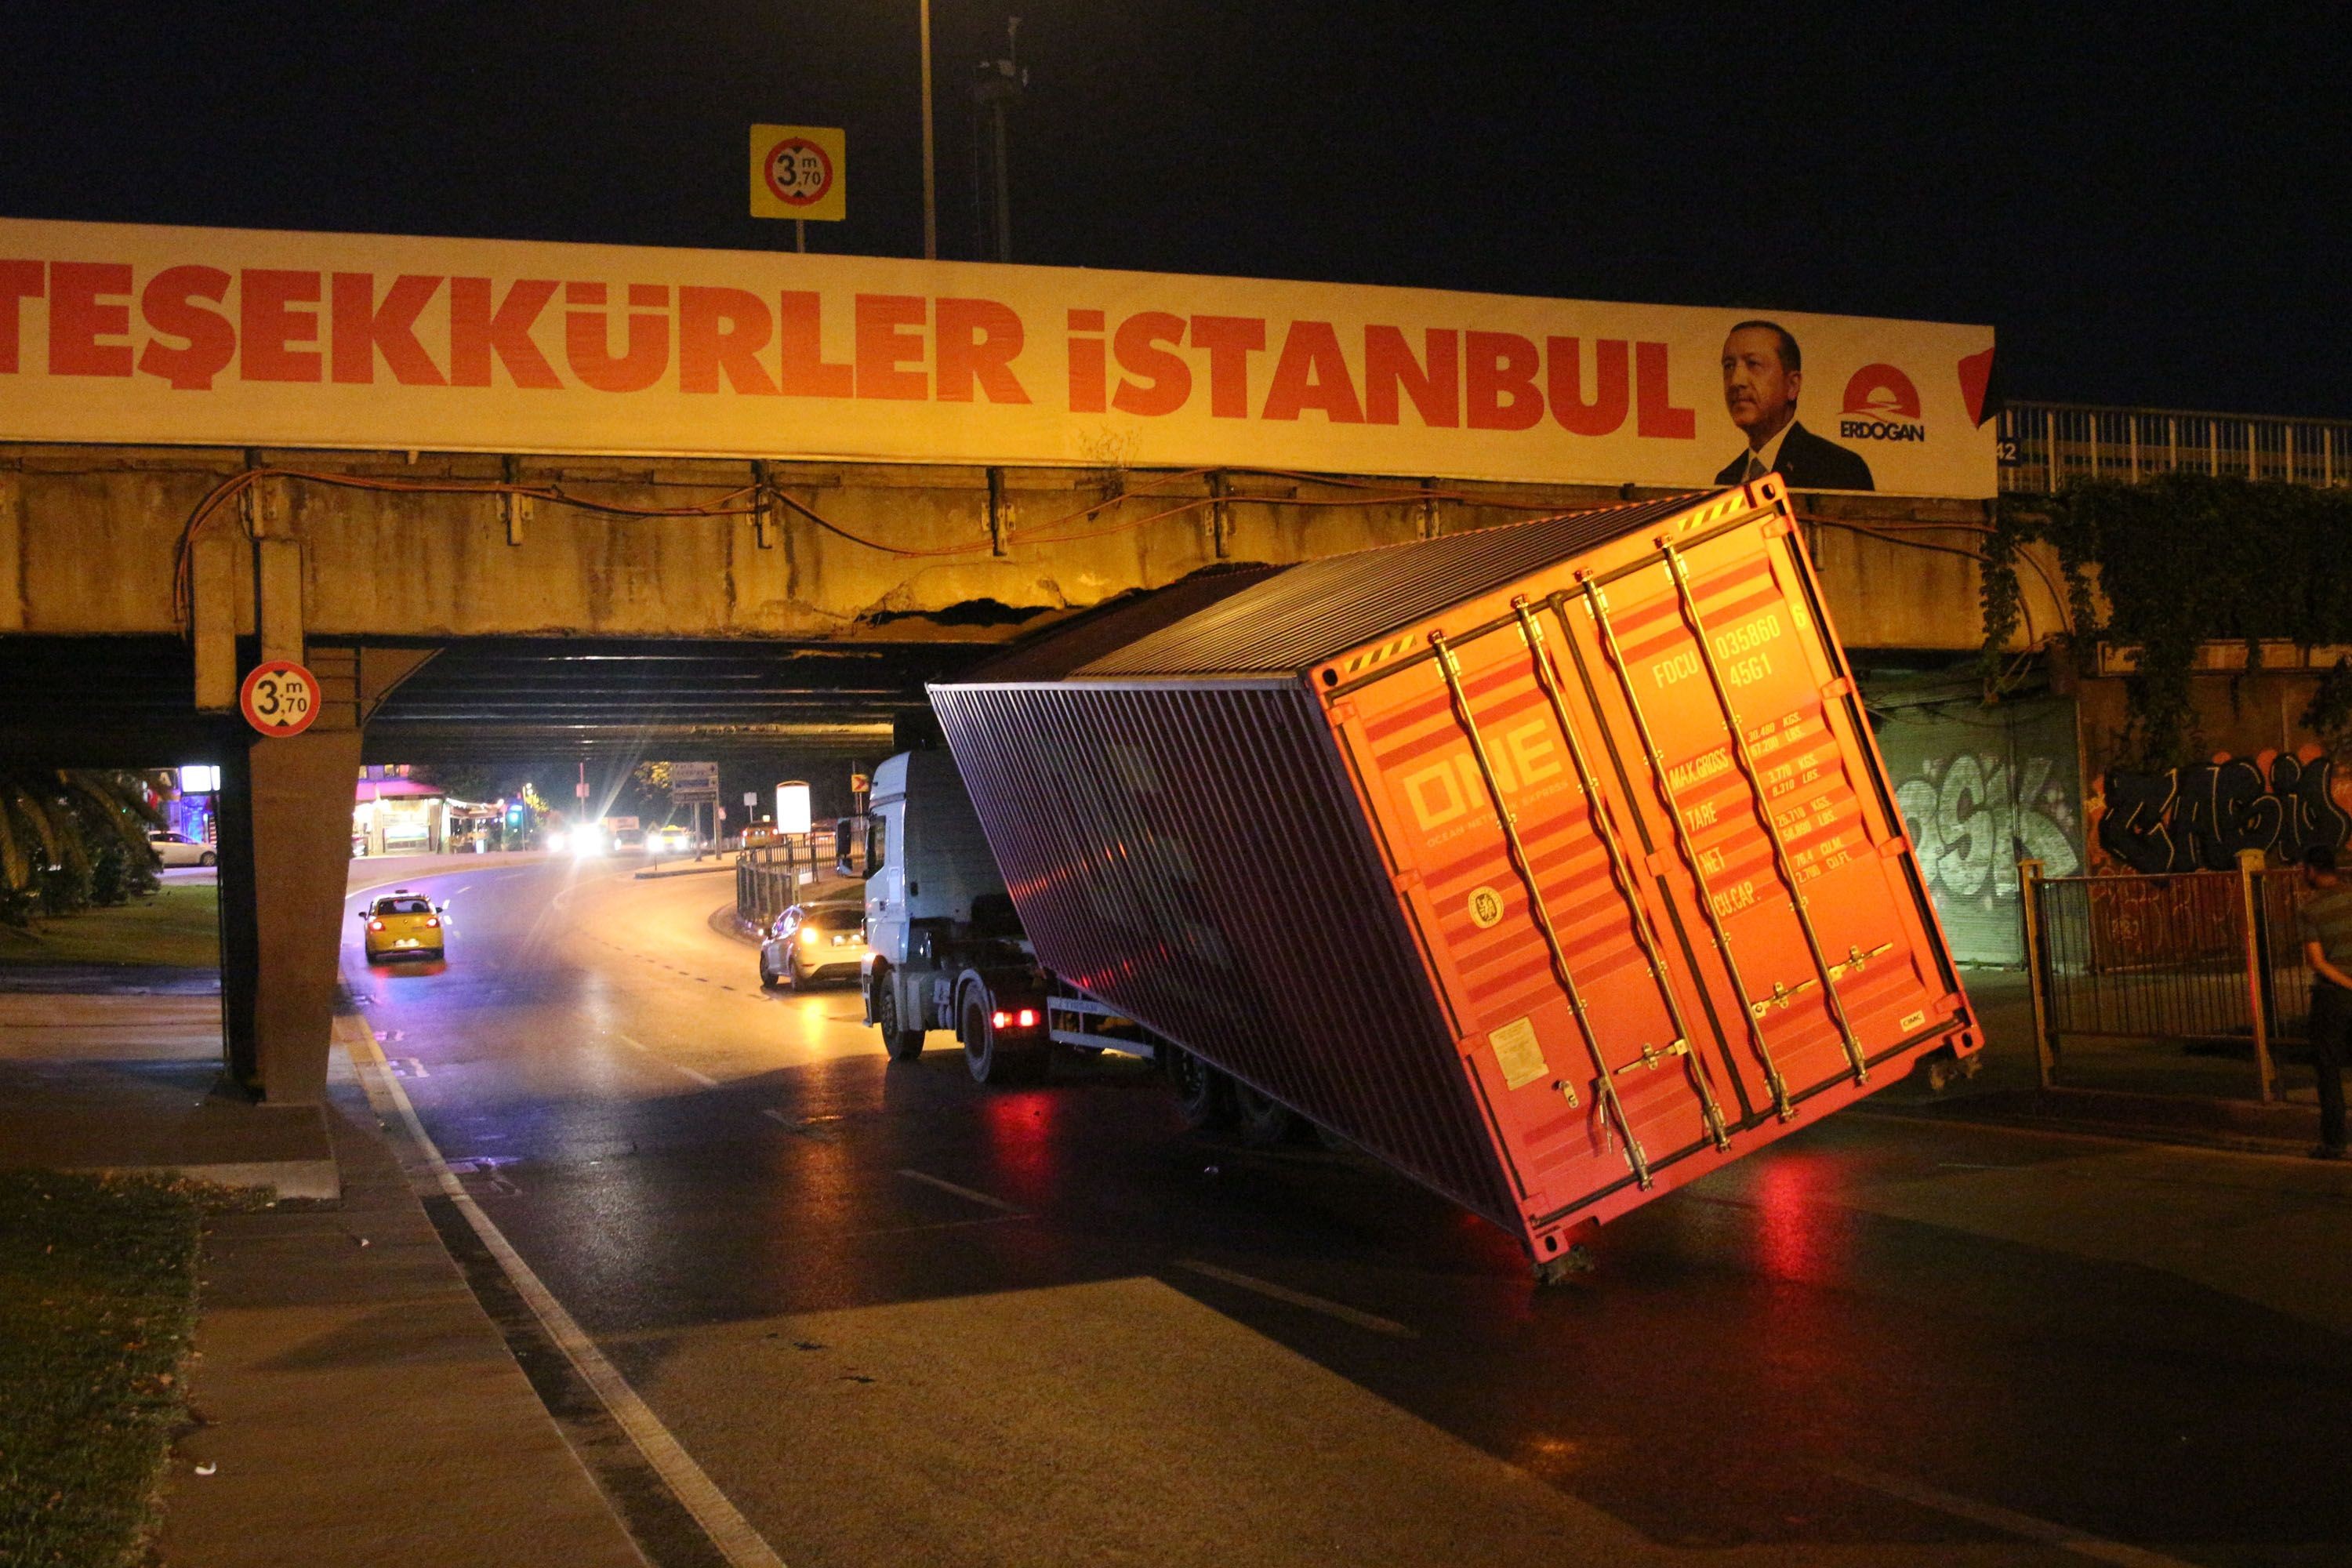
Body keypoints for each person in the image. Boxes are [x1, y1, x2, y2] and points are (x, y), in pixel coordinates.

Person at [1713, 320, 1875, 492]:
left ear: (1792, 385)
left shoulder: (1839, 469)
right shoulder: (1727, 479)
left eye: (1753, 364)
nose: (1736, 381)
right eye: (1729, 366)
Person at [2296, 844, 2352, 1160]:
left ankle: (2334, 1141)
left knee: (2328, 1068)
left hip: (2333, 997)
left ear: (2312, 871)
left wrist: (2347, 983)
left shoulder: (2310, 909)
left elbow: (2318, 962)